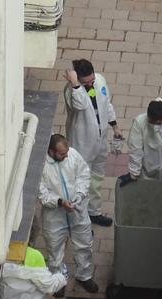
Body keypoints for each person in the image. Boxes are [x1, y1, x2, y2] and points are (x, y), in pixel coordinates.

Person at [63, 58, 122, 227]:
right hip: (82, 143)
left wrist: (115, 126)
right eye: (85, 82)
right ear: (77, 78)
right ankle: (80, 218)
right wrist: (75, 84)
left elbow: (106, 105)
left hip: (100, 139)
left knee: (96, 178)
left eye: (92, 80)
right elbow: (80, 105)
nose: (90, 84)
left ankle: (94, 212)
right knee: (81, 180)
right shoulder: (71, 90)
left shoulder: (100, 80)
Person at [38, 134, 99, 295]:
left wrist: (79, 195)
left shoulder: (72, 154)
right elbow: (42, 194)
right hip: (54, 217)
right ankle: (59, 279)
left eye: (66, 153)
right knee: (54, 249)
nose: (65, 156)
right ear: (51, 151)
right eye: (61, 154)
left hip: (78, 211)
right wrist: (60, 202)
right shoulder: (41, 165)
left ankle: (84, 276)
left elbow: (84, 175)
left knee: (84, 245)